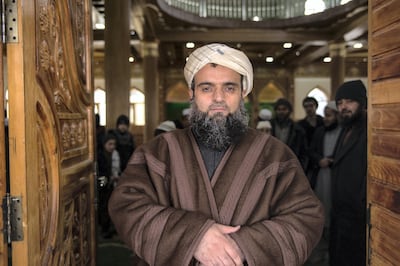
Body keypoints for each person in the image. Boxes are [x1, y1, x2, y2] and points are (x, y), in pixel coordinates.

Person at [109, 43, 324, 265]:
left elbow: (305, 218)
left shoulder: (275, 154)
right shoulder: (158, 152)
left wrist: (241, 246)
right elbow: (126, 206)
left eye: (229, 88)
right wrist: (194, 237)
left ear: (243, 93)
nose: (218, 98)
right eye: (207, 88)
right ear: (192, 93)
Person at [330, 80, 367, 266]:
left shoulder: (370, 132)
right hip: (340, 213)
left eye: (349, 101)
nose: (343, 107)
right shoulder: (345, 129)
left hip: (358, 216)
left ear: (362, 103)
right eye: (339, 102)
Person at [306, 101, 342, 265]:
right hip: (321, 176)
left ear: (337, 116)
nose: (326, 119)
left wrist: (333, 161)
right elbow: (311, 151)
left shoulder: (344, 132)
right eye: (325, 115)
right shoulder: (320, 132)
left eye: (329, 115)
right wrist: (319, 159)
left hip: (337, 177)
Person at [270, 98, 309, 170]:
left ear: (289, 111)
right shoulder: (269, 126)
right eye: (279, 109)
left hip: (291, 165)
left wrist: (301, 168)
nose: (281, 112)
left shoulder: (297, 130)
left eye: (284, 109)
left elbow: (304, 152)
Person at [97, 131, 120, 238]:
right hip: (103, 184)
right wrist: (107, 180)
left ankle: (110, 227)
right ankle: (104, 229)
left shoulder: (114, 155)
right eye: (109, 144)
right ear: (104, 144)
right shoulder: (100, 156)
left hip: (110, 184)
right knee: (103, 205)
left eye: (113, 144)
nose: (112, 147)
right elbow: (100, 174)